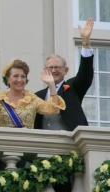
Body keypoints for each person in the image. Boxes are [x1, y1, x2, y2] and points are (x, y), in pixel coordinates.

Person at [34, 17, 94, 192]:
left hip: (69, 151)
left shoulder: (73, 87)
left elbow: (86, 74)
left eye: (57, 67)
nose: (53, 70)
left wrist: (86, 43)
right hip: (44, 153)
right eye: (49, 68)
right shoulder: (37, 96)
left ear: (65, 71)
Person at [0, 59, 66, 171]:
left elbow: (53, 109)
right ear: (7, 79)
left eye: (23, 76)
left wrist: (51, 85)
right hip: (4, 151)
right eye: (15, 76)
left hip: (26, 150)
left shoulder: (32, 98)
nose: (19, 80)